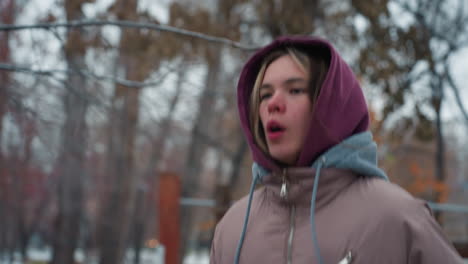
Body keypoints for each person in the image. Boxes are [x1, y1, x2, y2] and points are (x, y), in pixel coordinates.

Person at [209, 36, 464, 264]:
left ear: (330, 106)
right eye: (265, 95)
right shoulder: (232, 229)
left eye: (295, 90)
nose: (273, 104)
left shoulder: (397, 219)